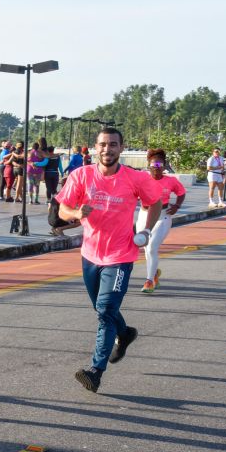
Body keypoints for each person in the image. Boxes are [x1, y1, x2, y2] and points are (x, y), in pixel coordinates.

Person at [55, 127, 162, 393]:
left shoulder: (135, 178)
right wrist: (76, 212)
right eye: (103, 144)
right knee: (103, 309)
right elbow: (62, 208)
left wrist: (147, 230)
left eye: (113, 144)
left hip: (121, 254)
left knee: (104, 311)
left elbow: (155, 201)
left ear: (121, 148)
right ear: (95, 147)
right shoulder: (81, 175)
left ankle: (95, 371)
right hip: (90, 254)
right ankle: (124, 334)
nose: (107, 149)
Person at [135, 149, 186, 293]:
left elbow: (181, 193)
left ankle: (149, 281)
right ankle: (154, 273)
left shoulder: (171, 181)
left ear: (164, 166)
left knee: (151, 248)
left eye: (160, 165)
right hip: (144, 215)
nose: (157, 168)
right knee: (145, 246)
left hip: (162, 216)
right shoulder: (142, 179)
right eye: (154, 165)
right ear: (149, 166)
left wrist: (177, 205)